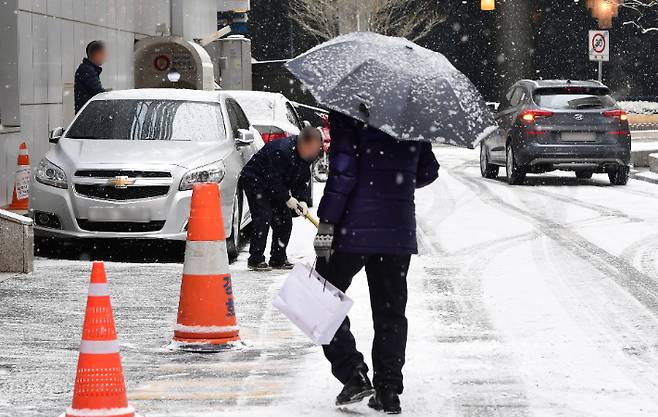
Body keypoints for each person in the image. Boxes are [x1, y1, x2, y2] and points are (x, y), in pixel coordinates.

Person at [313, 111, 440, 414]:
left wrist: (326, 227)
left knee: (317, 298)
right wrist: (397, 181)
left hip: (351, 229)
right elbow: (429, 170)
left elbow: (343, 175)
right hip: (397, 232)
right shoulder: (412, 116)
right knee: (391, 312)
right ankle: (388, 390)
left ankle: (352, 372)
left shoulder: (348, 113)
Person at [239, 127, 322, 271]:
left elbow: (302, 178)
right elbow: (272, 179)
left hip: (275, 184)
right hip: (255, 180)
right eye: (312, 149)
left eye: (317, 149)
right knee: (263, 216)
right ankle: (255, 259)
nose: (314, 153)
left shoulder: (307, 155)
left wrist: (301, 199)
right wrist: (287, 198)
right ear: (302, 143)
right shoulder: (282, 151)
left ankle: (278, 259)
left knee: (284, 219)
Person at [74, 40, 107, 113]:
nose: (105, 57)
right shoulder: (87, 70)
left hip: (86, 114)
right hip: (87, 116)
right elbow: (98, 92)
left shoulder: (88, 68)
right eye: (103, 54)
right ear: (97, 54)